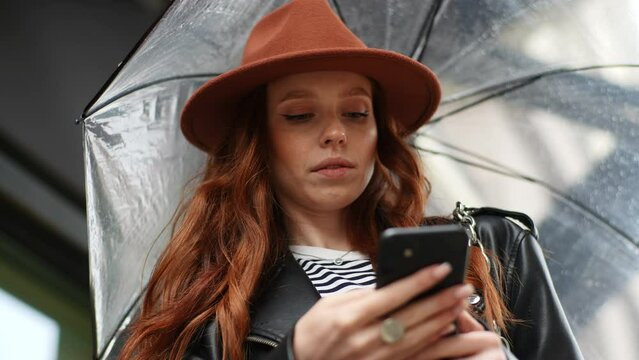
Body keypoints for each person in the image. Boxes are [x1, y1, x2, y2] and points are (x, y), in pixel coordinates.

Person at [120, 1, 583, 359]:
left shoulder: (494, 250)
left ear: (378, 133)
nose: (336, 133)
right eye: (300, 115)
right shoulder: (212, 325)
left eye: (356, 112)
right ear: (256, 142)